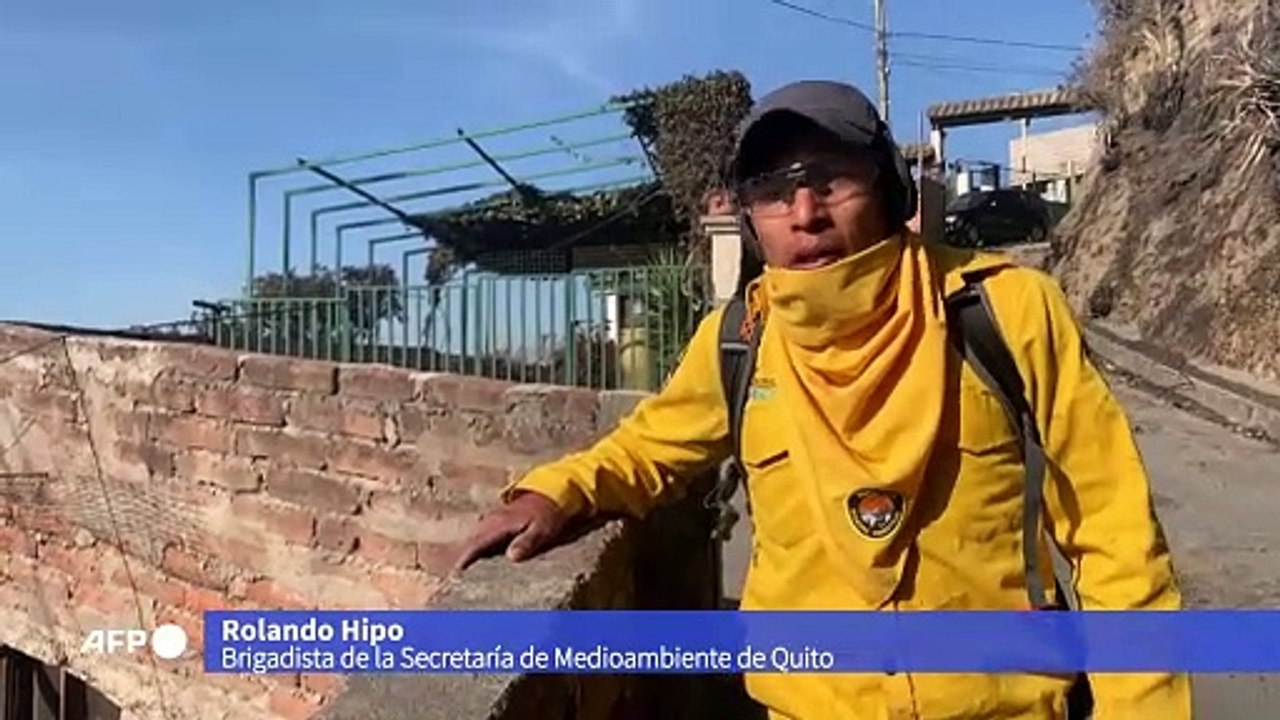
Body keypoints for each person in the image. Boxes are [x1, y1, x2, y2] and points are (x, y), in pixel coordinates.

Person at [453, 80, 1190, 719]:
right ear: (749, 219)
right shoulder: (739, 340)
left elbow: (1116, 539)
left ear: (889, 190)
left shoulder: (1006, 312)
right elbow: (648, 446)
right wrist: (554, 493)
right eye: (773, 192)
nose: (804, 212)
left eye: (830, 178)